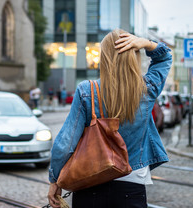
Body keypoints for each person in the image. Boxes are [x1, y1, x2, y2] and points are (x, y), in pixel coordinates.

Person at [47, 29, 172, 208]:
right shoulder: (147, 89)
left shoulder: (86, 91)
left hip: (88, 182)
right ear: (134, 55)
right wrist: (145, 43)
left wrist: (55, 180)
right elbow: (165, 56)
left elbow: (65, 143)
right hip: (132, 185)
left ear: (103, 58)